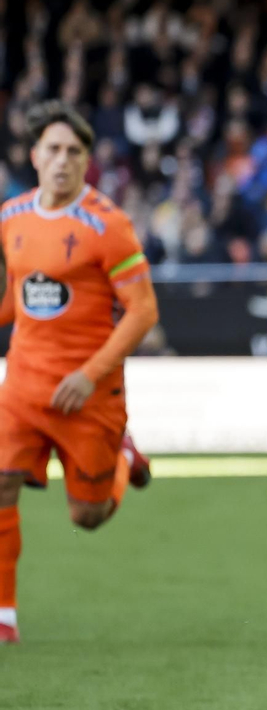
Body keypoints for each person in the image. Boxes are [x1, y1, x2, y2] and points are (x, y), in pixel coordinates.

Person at [0, 101, 159, 645]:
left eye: (74, 151)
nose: (62, 160)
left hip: (88, 393)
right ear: (34, 155)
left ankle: (122, 456)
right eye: (53, 149)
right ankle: (4, 616)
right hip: (22, 386)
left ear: (87, 160)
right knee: (0, 481)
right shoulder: (10, 216)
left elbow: (143, 311)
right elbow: (15, 300)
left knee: (87, 515)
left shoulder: (108, 225)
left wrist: (89, 374)